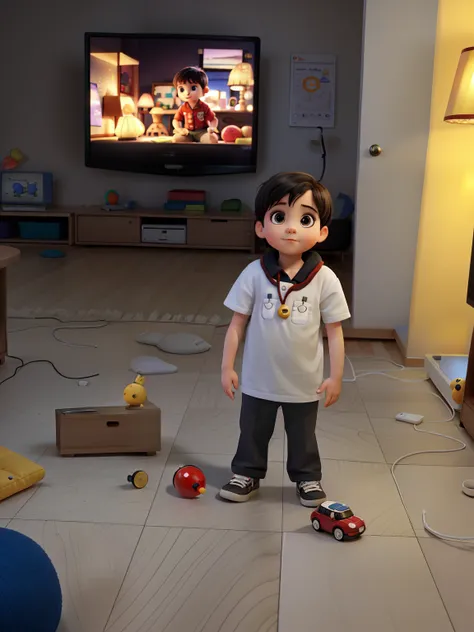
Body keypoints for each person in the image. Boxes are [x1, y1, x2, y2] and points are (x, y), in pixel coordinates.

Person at [219, 171, 351, 507]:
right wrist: (227, 368)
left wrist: (335, 376)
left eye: (305, 218)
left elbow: (334, 331)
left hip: (304, 381)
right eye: (280, 217)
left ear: (322, 232)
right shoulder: (253, 273)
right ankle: (246, 473)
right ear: (261, 227)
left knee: (303, 434)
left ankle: (307, 478)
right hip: (257, 378)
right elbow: (236, 324)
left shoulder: (325, 279)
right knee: (252, 430)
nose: (291, 227)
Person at [172, 66, 218, 144]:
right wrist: (179, 129)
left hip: (202, 132)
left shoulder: (204, 107)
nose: (187, 93)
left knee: (212, 139)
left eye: (193, 88)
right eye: (182, 89)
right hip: (187, 133)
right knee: (176, 139)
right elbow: (176, 120)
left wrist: (212, 128)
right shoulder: (182, 108)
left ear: (204, 90)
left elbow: (213, 119)